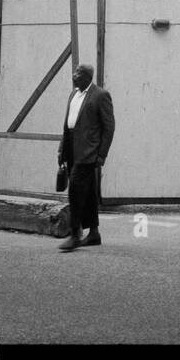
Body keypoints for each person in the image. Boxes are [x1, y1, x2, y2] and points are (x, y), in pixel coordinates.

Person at [57, 62, 115, 252]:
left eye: (78, 73)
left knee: (75, 189)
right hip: (72, 147)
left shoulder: (100, 96)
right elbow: (67, 126)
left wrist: (102, 155)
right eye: (75, 72)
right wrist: (62, 150)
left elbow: (109, 127)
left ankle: (75, 234)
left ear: (88, 77)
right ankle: (94, 234)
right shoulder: (73, 94)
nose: (74, 75)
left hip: (88, 152)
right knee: (88, 192)